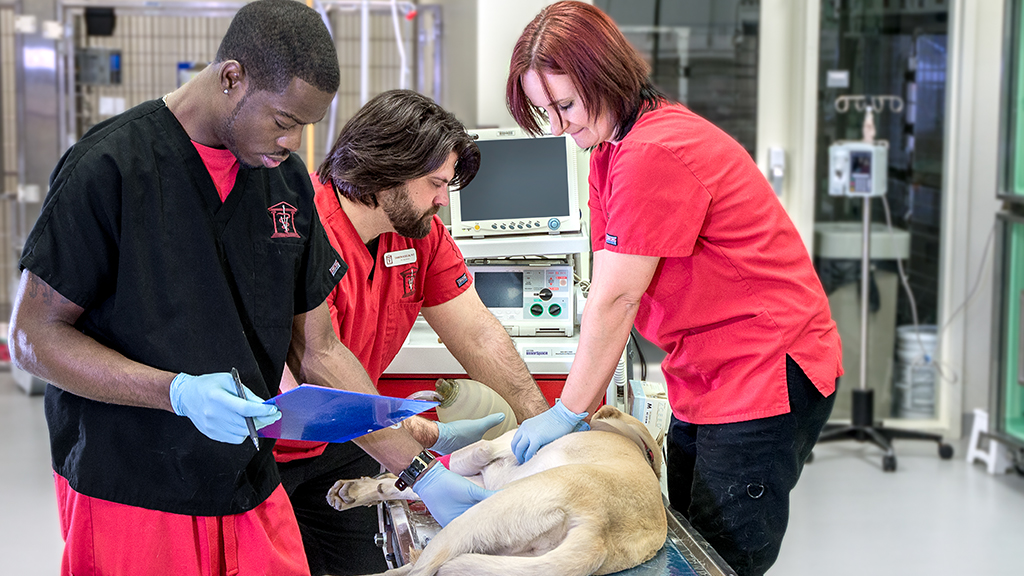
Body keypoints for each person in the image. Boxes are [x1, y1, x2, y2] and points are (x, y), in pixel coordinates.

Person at [8, 2, 490, 575]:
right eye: (284, 120)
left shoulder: (283, 182)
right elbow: (33, 338)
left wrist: (422, 472)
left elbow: (320, 351)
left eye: (306, 127)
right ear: (232, 77)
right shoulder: (109, 167)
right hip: (132, 486)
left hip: (247, 481)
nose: (293, 142)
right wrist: (177, 392)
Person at [503, 3, 841, 575]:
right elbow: (613, 276)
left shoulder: (654, 150)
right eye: (545, 111)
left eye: (565, 105)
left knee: (721, 556)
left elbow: (616, 298)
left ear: (604, 74)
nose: (558, 127)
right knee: (680, 539)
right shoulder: (611, 148)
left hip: (763, 369)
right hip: (707, 369)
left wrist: (569, 410)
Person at [275, 89, 552, 575]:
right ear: (384, 173)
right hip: (260, 452)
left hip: (345, 444)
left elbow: (478, 334)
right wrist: (419, 468)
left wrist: (543, 428)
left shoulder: (419, 234)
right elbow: (318, 366)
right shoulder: (300, 229)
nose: (443, 201)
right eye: (434, 183)